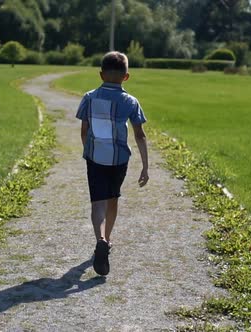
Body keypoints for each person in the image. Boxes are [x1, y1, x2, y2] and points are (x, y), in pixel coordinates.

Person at [75, 51, 149, 276]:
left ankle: (101, 239)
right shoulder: (130, 102)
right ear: (126, 77)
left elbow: (84, 130)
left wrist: (89, 150)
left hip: (95, 157)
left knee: (97, 202)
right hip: (118, 160)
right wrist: (146, 166)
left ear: (100, 74)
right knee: (112, 198)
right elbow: (139, 134)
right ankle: (109, 238)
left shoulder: (89, 98)